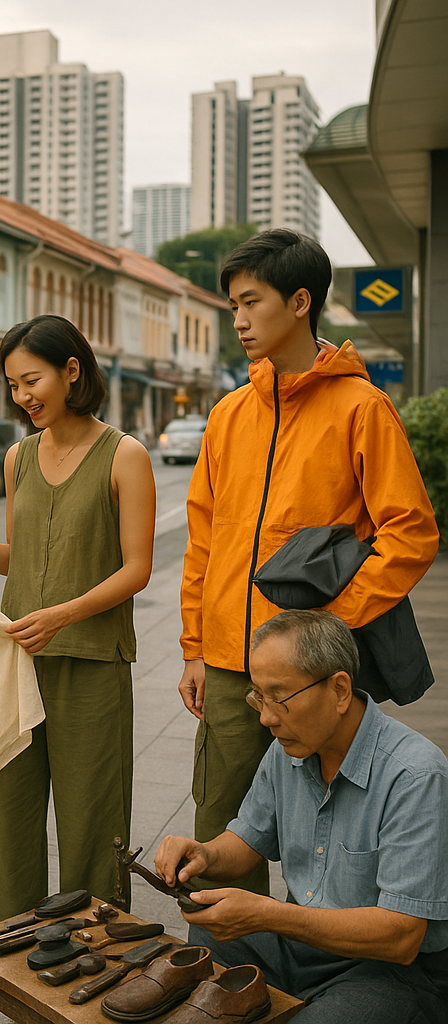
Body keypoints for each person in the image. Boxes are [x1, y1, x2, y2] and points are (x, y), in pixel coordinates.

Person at [178, 229, 439, 894]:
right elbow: (203, 540)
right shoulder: (228, 415)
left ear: (299, 302)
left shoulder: (362, 409)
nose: (237, 320)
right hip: (233, 668)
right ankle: (221, 979)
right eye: (232, 305)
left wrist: (331, 628)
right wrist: (193, 648)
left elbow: (410, 533)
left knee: (325, 843)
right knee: (219, 838)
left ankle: (320, 977)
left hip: (317, 680)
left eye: (249, 302)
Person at [0, 314, 156, 926]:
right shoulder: (17, 457)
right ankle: (8, 939)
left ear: (71, 370)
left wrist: (63, 614)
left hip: (94, 665)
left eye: (32, 381)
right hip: (17, 662)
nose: (23, 397)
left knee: (92, 814)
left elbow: (137, 569)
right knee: (8, 810)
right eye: (13, 386)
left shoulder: (124, 455)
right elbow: (19, 559)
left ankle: (93, 939)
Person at [157, 609, 448, 1023]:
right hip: (301, 945)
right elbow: (248, 839)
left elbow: (401, 937)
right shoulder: (288, 749)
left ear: (340, 689)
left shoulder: (415, 774)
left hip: (389, 968)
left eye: (281, 697)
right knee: (209, 929)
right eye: (258, 695)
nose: (266, 717)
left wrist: (268, 913)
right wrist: (204, 853)